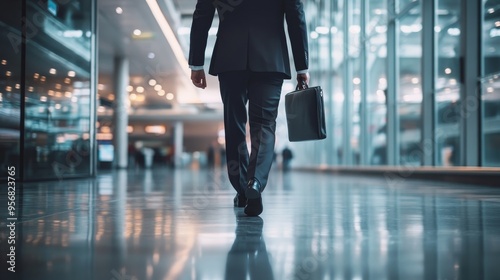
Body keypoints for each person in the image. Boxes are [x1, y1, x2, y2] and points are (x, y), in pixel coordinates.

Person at [189, 0, 309, 216]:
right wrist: (302, 66)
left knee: (234, 124)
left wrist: (197, 63)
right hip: (271, 59)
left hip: (229, 58)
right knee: (264, 124)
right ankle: (255, 182)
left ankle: (242, 188)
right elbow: (296, 17)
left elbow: (202, 15)